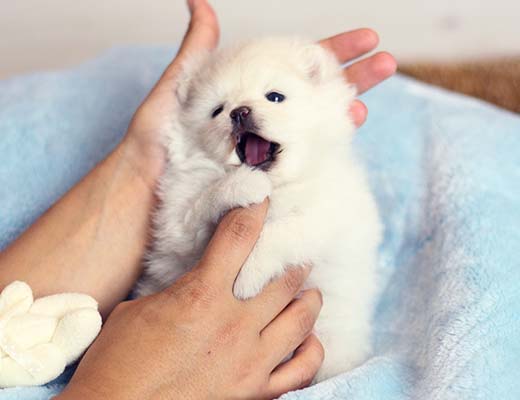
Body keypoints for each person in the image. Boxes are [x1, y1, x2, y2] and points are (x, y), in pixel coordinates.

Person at [0, 0, 396, 398]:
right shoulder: (191, 180)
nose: (241, 111)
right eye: (217, 109)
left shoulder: (339, 184)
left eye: (275, 96)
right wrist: (212, 197)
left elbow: (342, 259)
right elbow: (179, 241)